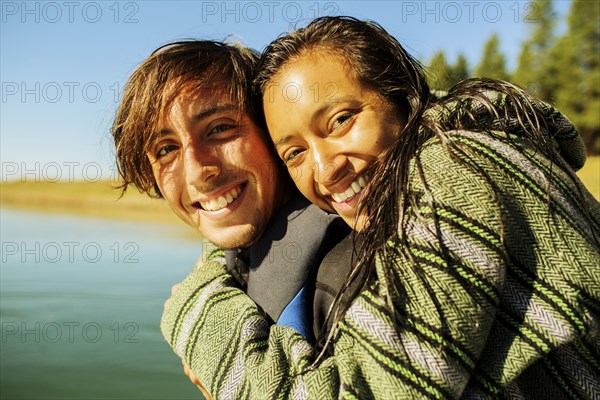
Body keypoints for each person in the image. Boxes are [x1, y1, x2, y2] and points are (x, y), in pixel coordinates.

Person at [161, 17, 600, 399]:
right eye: (294, 153)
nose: (326, 170)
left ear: (401, 96)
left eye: (340, 121)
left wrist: (200, 319)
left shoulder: (456, 168)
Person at [110, 39, 351, 396]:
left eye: (220, 128)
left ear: (271, 131)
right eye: (166, 150)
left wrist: (210, 340)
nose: (196, 172)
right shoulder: (233, 263)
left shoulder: (350, 269)